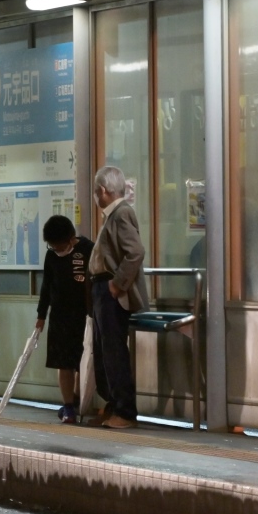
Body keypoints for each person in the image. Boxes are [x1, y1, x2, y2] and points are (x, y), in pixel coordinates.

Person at [88, 165, 149, 429]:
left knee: (114, 353)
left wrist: (117, 283)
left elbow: (135, 252)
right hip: (102, 289)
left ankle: (125, 412)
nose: (95, 196)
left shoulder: (121, 213)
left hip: (111, 291)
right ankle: (114, 406)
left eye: (95, 191)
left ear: (102, 190)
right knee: (104, 353)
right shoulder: (113, 214)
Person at [36, 215, 94, 424]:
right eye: (52, 246)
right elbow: (46, 286)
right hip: (60, 316)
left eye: (59, 246)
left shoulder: (89, 249)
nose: (56, 250)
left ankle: (78, 400)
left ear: (70, 239)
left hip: (85, 315)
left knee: (82, 361)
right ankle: (68, 406)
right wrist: (41, 315)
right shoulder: (51, 256)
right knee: (64, 363)